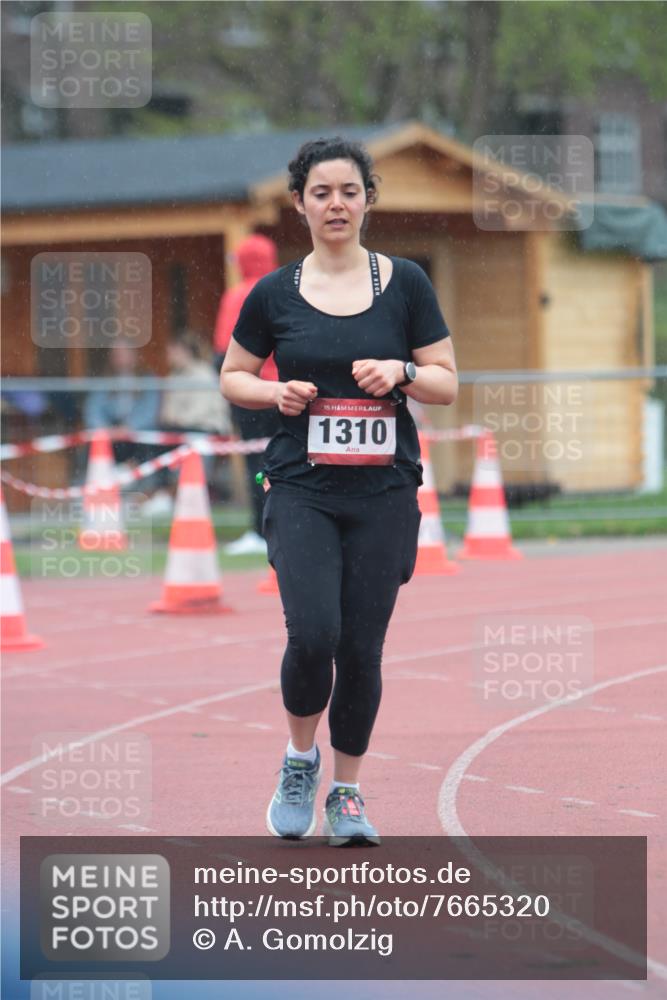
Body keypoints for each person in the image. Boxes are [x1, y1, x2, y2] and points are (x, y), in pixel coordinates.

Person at [220, 137, 457, 846]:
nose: (336, 204)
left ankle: (346, 793)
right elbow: (232, 376)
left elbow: (446, 381)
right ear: (298, 204)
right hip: (302, 488)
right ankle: (300, 760)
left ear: (368, 200)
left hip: (383, 492)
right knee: (313, 634)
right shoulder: (274, 293)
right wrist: (274, 392)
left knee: (360, 649)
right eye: (320, 193)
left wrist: (402, 372)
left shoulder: (406, 283)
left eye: (349, 191)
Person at [214, 234, 281, 555]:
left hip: (251, 394)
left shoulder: (237, 296)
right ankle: (289, 524)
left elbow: (222, 352)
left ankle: (261, 528)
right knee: (290, 458)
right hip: (288, 391)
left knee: (257, 463)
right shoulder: (287, 289)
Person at [142, 330, 231, 517]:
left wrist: (177, 421)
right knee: (154, 439)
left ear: (184, 351)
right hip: (178, 429)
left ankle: (171, 493)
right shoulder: (173, 376)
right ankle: (161, 493)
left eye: (172, 351)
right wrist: (173, 422)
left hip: (205, 429)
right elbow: (167, 412)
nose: (169, 356)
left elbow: (202, 412)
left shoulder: (204, 374)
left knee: (171, 441)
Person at [83, 340, 160, 470]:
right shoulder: (104, 381)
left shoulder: (147, 379)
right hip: (111, 433)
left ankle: (139, 476)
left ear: (134, 355)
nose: (119, 358)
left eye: (123, 353)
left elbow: (150, 411)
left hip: (138, 434)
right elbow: (92, 410)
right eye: (116, 354)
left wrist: (129, 428)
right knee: (94, 446)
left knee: (147, 446)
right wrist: (105, 429)